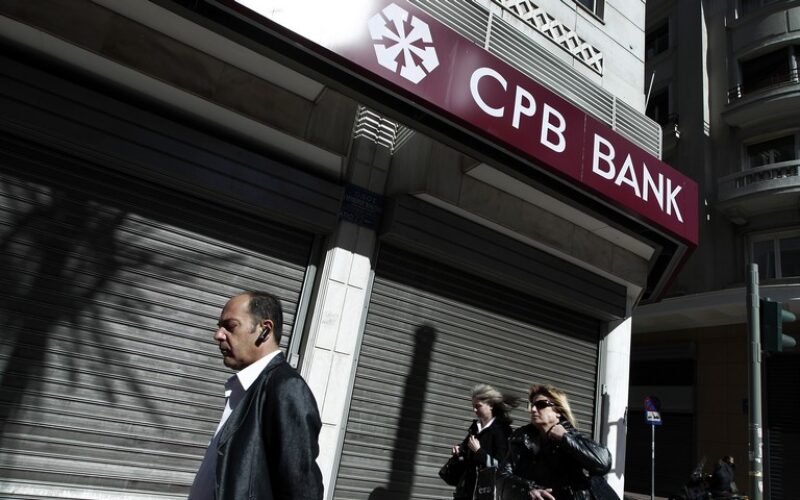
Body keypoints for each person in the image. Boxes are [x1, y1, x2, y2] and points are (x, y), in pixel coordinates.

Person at [188, 291, 323, 500]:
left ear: (264, 330)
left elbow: (301, 490)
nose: (218, 335)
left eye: (230, 326)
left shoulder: (285, 388)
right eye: (219, 326)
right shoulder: (248, 387)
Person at [496, 383, 612, 500]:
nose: (533, 409)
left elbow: (603, 463)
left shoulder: (571, 435)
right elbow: (502, 476)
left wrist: (565, 438)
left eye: (541, 405)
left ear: (558, 411)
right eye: (532, 405)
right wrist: (528, 489)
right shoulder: (521, 439)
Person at [449, 384, 516, 500]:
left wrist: (479, 451)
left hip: (487, 493)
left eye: (478, 406)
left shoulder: (502, 431)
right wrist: (459, 451)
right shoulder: (475, 428)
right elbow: (467, 456)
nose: (474, 410)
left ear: (491, 405)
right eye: (473, 406)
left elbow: (503, 467)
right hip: (466, 491)